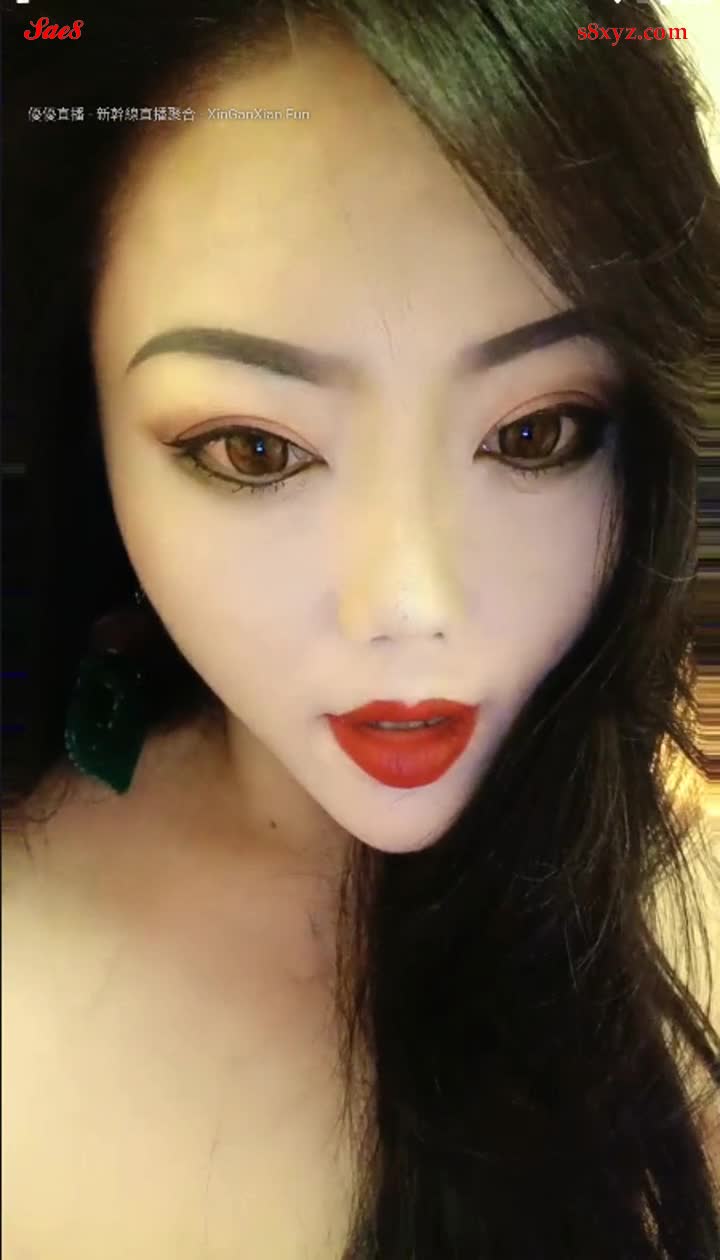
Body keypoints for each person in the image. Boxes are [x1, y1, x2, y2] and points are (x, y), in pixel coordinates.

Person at [3, 1, 719, 1256]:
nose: (412, 606)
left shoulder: (684, 922)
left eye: (537, 432)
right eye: (255, 448)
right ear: (85, 426)